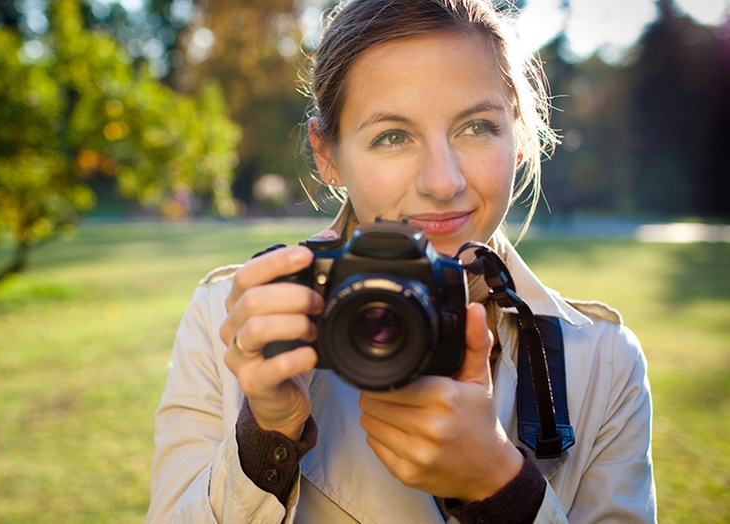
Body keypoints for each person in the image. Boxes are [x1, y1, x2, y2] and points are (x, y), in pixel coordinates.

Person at [145, 0, 657, 522]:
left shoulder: (605, 363)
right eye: (392, 136)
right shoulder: (227, 320)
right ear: (328, 156)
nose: (443, 181)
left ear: (519, 137)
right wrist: (267, 437)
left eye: (477, 127)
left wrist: (500, 486)